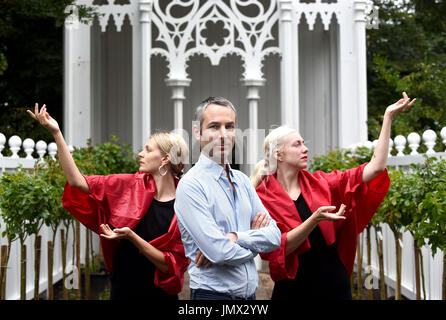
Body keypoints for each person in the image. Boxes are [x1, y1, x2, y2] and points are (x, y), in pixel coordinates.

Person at [251, 92, 416, 300]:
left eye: (304, 142)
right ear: (279, 154)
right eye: (297, 144)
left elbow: (375, 168)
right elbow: (276, 247)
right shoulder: (261, 197)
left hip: (333, 285)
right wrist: (315, 219)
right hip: (293, 288)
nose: (305, 148)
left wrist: (387, 118)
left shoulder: (323, 183)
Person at [27, 104, 190, 300]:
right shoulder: (129, 184)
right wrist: (56, 133)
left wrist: (132, 237)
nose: (140, 153)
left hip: (159, 294)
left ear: (165, 158)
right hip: (122, 289)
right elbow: (77, 181)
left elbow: (170, 265)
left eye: (147, 150)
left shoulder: (186, 202)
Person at [174, 96, 281, 300]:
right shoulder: (191, 185)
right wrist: (255, 244)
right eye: (214, 126)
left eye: (229, 126)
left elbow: (275, 236)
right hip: (212, 296)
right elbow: (220, 252)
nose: (223, 135)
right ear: (197, 131)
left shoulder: (242, 181)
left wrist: (235, 238)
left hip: (250, 297)